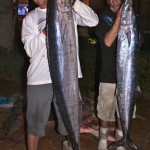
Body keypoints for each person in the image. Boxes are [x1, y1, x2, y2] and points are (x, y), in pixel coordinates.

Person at [21, 0, 99, 150]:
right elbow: (30, 50)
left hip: (67, 78)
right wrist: (45, 32)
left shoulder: (69, 11)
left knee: (71, 121)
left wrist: (74, 2)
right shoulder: (30, 18)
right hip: (39, 78)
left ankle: (72, 146)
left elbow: (93, 21)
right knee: (34, 123)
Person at [95, 0, 136, 150]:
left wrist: (127, 18)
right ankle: (103, 139)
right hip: (107, 75)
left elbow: (137, 42)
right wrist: (120, 16)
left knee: (123, 111)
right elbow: (107, 41)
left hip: (128, 77)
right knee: (105, 111)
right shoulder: (102, 17)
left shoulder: (133, 17)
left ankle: (122, 140)